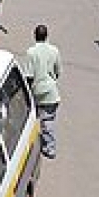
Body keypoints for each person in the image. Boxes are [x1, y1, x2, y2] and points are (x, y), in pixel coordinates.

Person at [23, 24, 61, 159]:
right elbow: (58, 72)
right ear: (47, 36)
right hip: (51, 93)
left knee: (31, 119)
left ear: (35, 36)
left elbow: (28, 75)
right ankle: (49, 147)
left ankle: (38, 146)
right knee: (48, 121)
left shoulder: (31, 52)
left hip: (36, 92)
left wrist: (26, 93)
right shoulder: (54, 51)